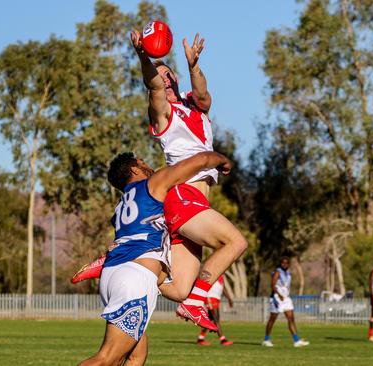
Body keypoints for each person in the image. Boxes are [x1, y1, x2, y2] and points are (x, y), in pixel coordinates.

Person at [128, 28, 248, 330]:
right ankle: (197, 304)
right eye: (159, 76)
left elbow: (204, 95)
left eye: (168, 75)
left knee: (180, 288)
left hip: (192, 202)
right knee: (235, 241)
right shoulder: (163, 114)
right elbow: (154, 87)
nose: (164, 79)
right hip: (183, 196)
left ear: (178, 81)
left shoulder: (195, 105)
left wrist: (194, 66)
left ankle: (122, 262)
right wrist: (145, 56)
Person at [79, 150, 232, 366]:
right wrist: (222, 160)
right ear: (134, 169)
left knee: (135, 356)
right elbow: (202, 160)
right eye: (143, 163)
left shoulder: (120, 206)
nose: (149, 167)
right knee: (107, 358)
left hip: (114, 274)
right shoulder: (151, 185)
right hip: (134, 278)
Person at [262, 257, 309, 348]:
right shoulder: (277, 272)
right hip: (276, 298)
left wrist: (285, 295)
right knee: (272, 319)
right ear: (280, 263)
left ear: (289, 264)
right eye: (283, 263)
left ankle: (296, 340)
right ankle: (266, 339)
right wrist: (279, 295)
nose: (285, 264)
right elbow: (272, 285)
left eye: (286, 263)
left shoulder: (288, 274)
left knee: (291, 318)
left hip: (286, 298)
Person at [196, 274, 234, 346]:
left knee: (211, 320)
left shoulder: (221, 274)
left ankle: (200, 338)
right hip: (210, 296)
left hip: (216, 298)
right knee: (216, 318)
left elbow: (223, 287)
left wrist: (229, 298)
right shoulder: (212, 271)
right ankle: (223, 339)